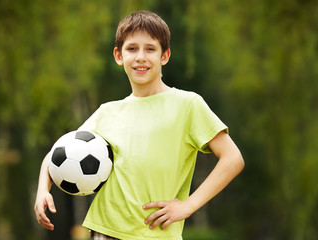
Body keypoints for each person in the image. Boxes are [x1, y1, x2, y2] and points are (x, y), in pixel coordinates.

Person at [34, 10, 244, 240]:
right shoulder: (107, 112)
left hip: (157, 235)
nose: (141, 57)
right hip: (105, 231)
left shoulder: (187, 104)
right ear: (118, 55)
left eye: (150, 49)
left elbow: (232, 159)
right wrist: (43, 189)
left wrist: (189, 205)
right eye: (132, 49)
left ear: (164, 56)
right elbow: (58, 154)